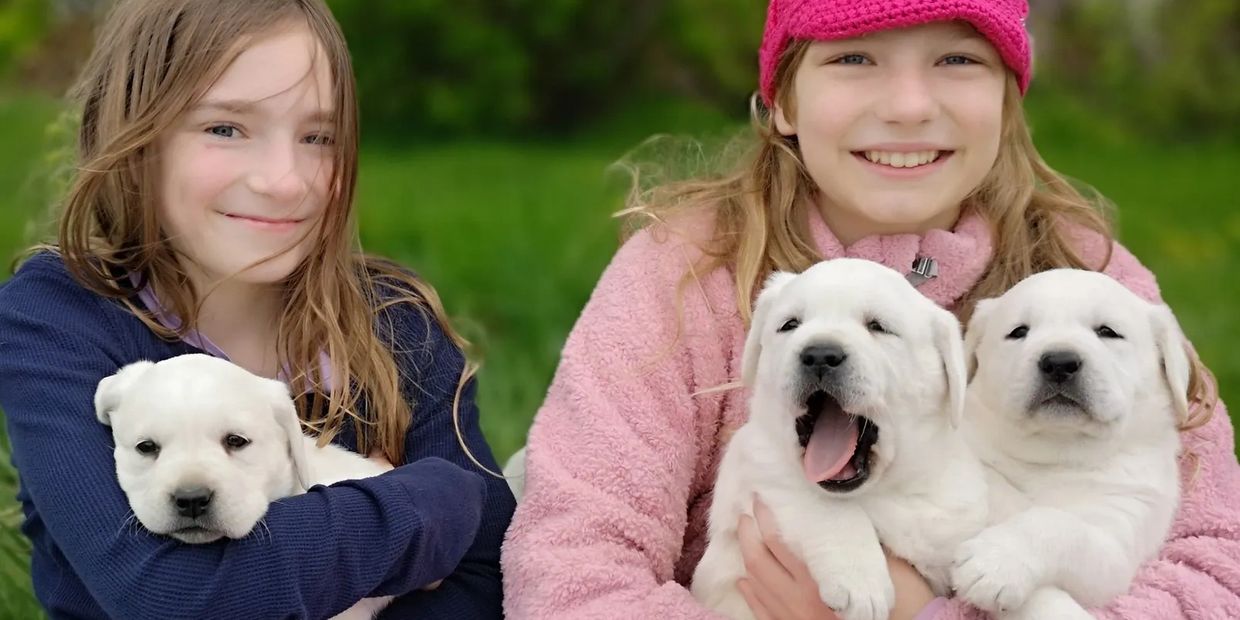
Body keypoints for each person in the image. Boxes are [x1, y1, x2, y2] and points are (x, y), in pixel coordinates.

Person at [501, 1, 1239, 618]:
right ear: (784, 100)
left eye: (958, 60)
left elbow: (1217, 571)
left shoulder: (1089, 279)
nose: (909, 107)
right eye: (854, 58)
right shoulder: (682, 277)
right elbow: (573, 566)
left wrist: (925, 613)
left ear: (1009, 103)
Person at [0, 0, 513, 617]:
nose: (283, 180)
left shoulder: (394, 323)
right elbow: (171, 597)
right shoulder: (60, 318)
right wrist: (426, 505)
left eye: (317, 137)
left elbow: (491, 571)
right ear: (137, 138)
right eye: (226, 128)